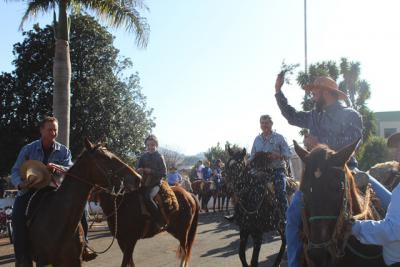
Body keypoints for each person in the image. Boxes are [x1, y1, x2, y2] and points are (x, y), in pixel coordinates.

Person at [274, 74, 391, 267]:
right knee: (293, 211)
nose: (312, 96)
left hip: (346, 168)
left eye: (314, 92)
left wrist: (319, 145)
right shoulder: (313, 115)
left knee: (390, 200)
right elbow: (291, 116)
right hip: (317, 176)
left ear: (326, 92)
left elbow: (352, 143)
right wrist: (278, 93)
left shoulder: (350, 114)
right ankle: (294, 263)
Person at [10, 116, 96, 265]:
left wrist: (58, 167)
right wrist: (20, 184)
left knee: (81, 211)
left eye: (55, 130)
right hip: (31, 189)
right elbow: (16, 170)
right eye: (50, 129)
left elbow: (70, 168)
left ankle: (84, 245)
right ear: (41, 130)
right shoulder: (28, 149)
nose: (53, 133)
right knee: (17, 216)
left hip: (55, 189)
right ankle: (22, 257)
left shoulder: (64, 150)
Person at [249, 114, 291, 224]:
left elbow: (288, 153)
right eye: (262, 123)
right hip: (260, 171)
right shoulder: (257, 139)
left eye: (266, 123)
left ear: (271, 124)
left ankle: (286, 218)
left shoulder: (279, 137)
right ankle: (247, 216)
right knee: (247, 188)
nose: (264, 125)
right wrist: (246, 162)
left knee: (280, 191)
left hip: (277, 169)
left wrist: (279, 156)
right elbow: (252, 155)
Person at [136, 134, 167, 229]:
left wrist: (151, 171)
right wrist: (139, 169)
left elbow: (164, 172)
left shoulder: (159, 156)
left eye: (152, 145)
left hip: (156, 183)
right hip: (144, 182)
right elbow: (137, 168)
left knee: (148, 197)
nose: (150, 147)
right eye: (148, 145)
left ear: (156, 145)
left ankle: (159, 220)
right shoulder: (143, 156)